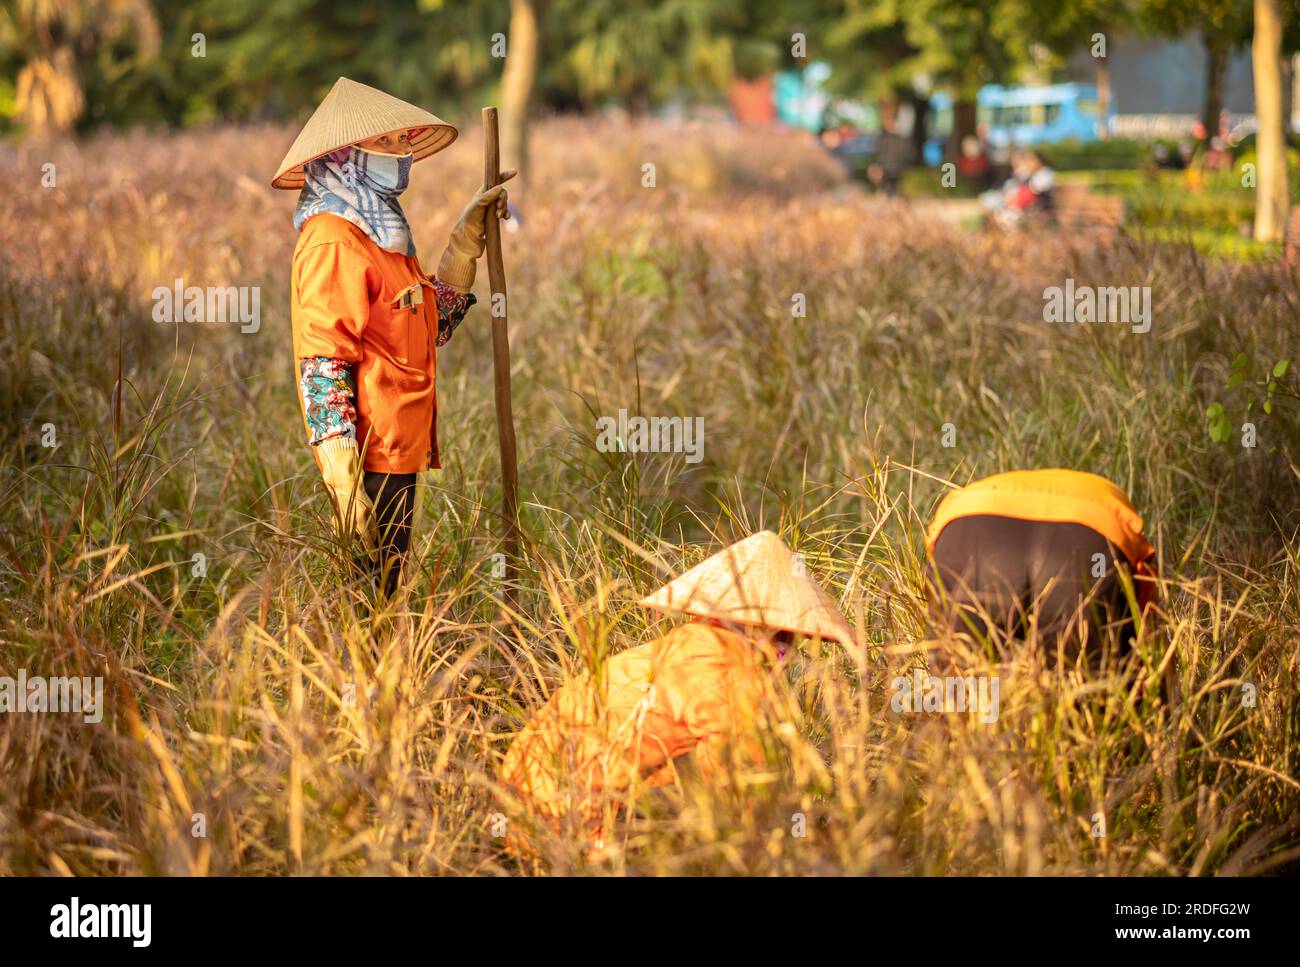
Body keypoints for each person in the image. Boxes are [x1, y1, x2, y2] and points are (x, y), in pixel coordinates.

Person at [271, 77, 512, 598]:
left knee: (387, 591)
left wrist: (467, 239)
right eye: (387, 142)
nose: (402, 151)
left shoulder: (382, 234)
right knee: (369, 600)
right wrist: (344, 482)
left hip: (398, 448)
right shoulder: (333, 240)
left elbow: (431, 325)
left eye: (404, 140)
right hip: (368, 457)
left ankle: (388, 676)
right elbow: (322, 366)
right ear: (344, 154)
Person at [498, 531, 855, 859]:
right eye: (785, 640)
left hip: (521, 808)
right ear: (769, 631)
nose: (786, 654)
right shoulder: (726, 671)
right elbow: (747, 795)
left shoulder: (691, 645)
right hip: (566, 826)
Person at [925, 469, 1157, 665]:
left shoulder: (962, 499)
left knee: (961, 697)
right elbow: (1148, 632)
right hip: (1090, 532)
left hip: (968, 526)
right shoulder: (1109, 499)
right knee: (1095, 695)